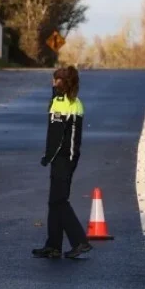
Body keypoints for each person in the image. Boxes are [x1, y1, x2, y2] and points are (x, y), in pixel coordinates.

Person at [33, 66, 93, 259]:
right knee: (54, 201)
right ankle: (53, 245)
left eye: (55, 79)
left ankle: (80, 241)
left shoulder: (61, 104)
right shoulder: (74, 102)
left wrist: (47, 157)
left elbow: (56, 137)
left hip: (62, 157)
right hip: (70, 156)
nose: (52, 82)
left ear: (60, 82)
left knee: (59, 201)